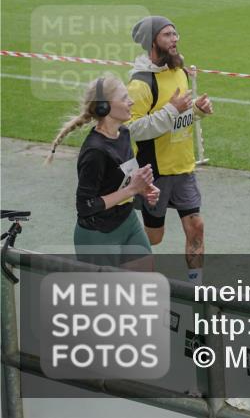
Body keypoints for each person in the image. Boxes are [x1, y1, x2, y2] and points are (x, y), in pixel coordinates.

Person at [127, 16, 214, 283]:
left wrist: (197, 111)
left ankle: (196, 288)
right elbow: (132, 129)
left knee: (196, 226)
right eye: (167, 34)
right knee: (154, 237)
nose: (174, 39)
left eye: (175, 33)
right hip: (156, 173)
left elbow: (179, 119)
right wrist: (171, 110)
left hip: (184, 168)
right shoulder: (140, 84)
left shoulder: (179, 72)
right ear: (152, 41)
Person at [47, 76, 160, 267]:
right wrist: (132, 189)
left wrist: (142, 187)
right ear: (104, 107)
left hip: (127, 220)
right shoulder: (95, 151)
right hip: (98, 234)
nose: (131, 102)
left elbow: (124, 175)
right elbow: (85, 206)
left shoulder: (123, 133)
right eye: (124, 98)